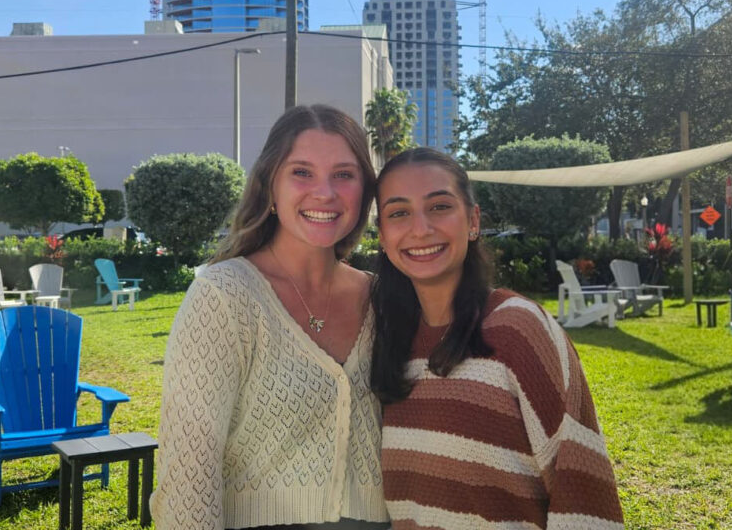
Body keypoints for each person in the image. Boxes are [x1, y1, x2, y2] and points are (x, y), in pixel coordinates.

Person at [150, 105, 390, 530]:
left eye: (344, 174)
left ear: (364, 192)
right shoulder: (224, 296)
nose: (325, 193)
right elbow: (187, 477)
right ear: (270, 187)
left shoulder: (382, 298)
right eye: (302, 172)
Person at [370, 147, 623, 530]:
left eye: (439, 206)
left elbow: (583, 493)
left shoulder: (517, 329)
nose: (420, 228)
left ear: (473, 221)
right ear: (383, 237)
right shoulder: (388, 340)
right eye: (399, 212)